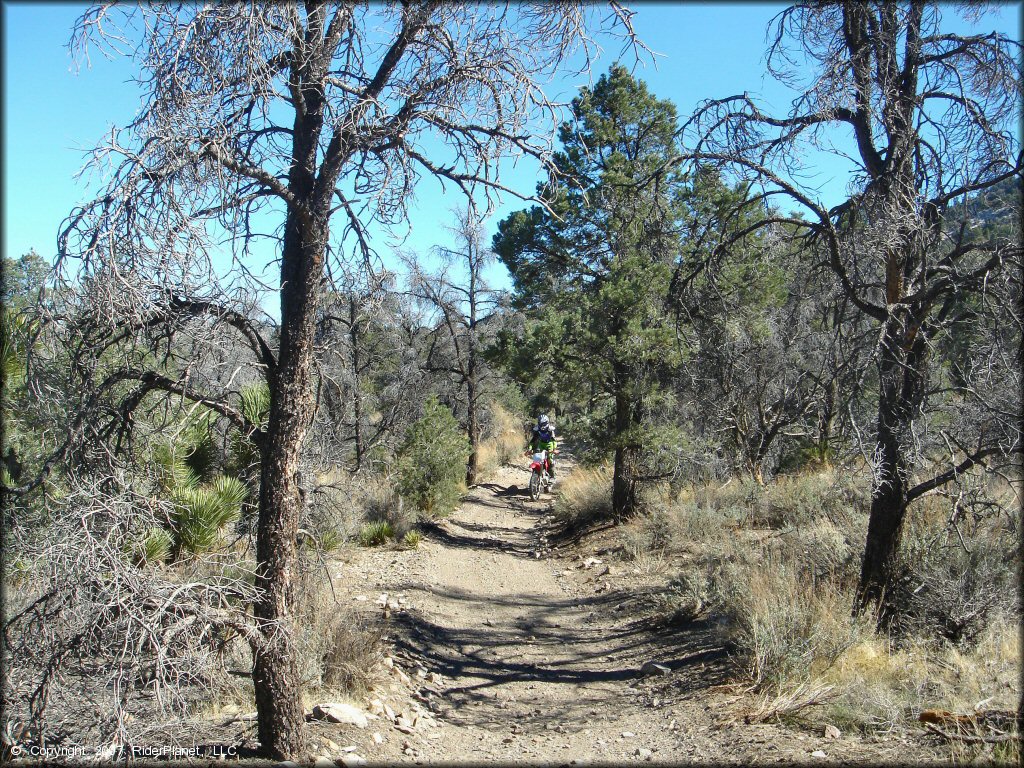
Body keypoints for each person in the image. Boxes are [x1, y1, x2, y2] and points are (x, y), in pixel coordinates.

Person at [525, 414, 557, 483]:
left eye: (544, 423)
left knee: (550, 459)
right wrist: (530, 448)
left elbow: (554, 440)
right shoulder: (537, 430)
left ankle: (552, 476)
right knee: (537, 458)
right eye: (541, 423)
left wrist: (554, 449)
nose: (542, 425)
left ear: (547, 422)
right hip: (541, 444)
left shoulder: (550, 429)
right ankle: (536, 473)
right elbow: (533, 440)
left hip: (549, 444)